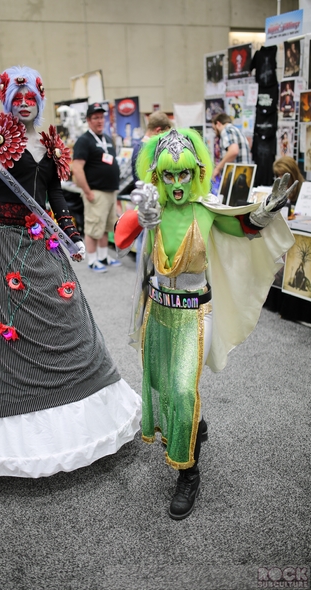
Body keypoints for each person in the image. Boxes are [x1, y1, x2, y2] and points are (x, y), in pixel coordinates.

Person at [0, 66, 142, 478]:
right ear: (6, 101)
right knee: (0, 328)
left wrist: (72, 235)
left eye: (30, 100)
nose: (24, 105)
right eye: (16, 100)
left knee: (64, 320)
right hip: (2, 242)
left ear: (39, 101)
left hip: (44, 243)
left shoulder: (50, 140)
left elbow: (54, 194)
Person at [114, 128, 295, 520]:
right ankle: (199, 423)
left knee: (181, 389)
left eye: (182, 174)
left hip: (195, 312)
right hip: (158, 311)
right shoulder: (153, 209)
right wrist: (139, 214)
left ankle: (189, 474)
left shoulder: (205, 209)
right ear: (156, 175)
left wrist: (266, 210)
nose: (176, 184)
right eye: (167, 175)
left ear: (196, 172)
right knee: (164, 383)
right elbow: (121, 238)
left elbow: (246, 228)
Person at [72, 102, 122, 273]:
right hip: (95, 192)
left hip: (109, 191)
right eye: (95, 118)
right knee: (93, 228)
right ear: (88, 120)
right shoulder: (84, 140)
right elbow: (77, 168)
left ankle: (103, 256)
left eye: (101, 117)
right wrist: (87, 191)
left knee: (106, 227)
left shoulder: (107, 139)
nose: (100, 121)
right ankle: (92, 260)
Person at [131, 111, 172, 266]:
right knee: (146, 245)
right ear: (158, 130)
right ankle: (143, 283)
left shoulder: (138, 147)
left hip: (144, 202)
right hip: (149, 204)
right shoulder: (148, 149)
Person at [211, 113, 251, 182]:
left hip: (236, 178)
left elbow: (234, 151)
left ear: (218, 124)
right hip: (244, 176)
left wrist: (217, 168)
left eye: (214, 129)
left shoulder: (226, 130)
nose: (215, 132)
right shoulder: (237, 131)